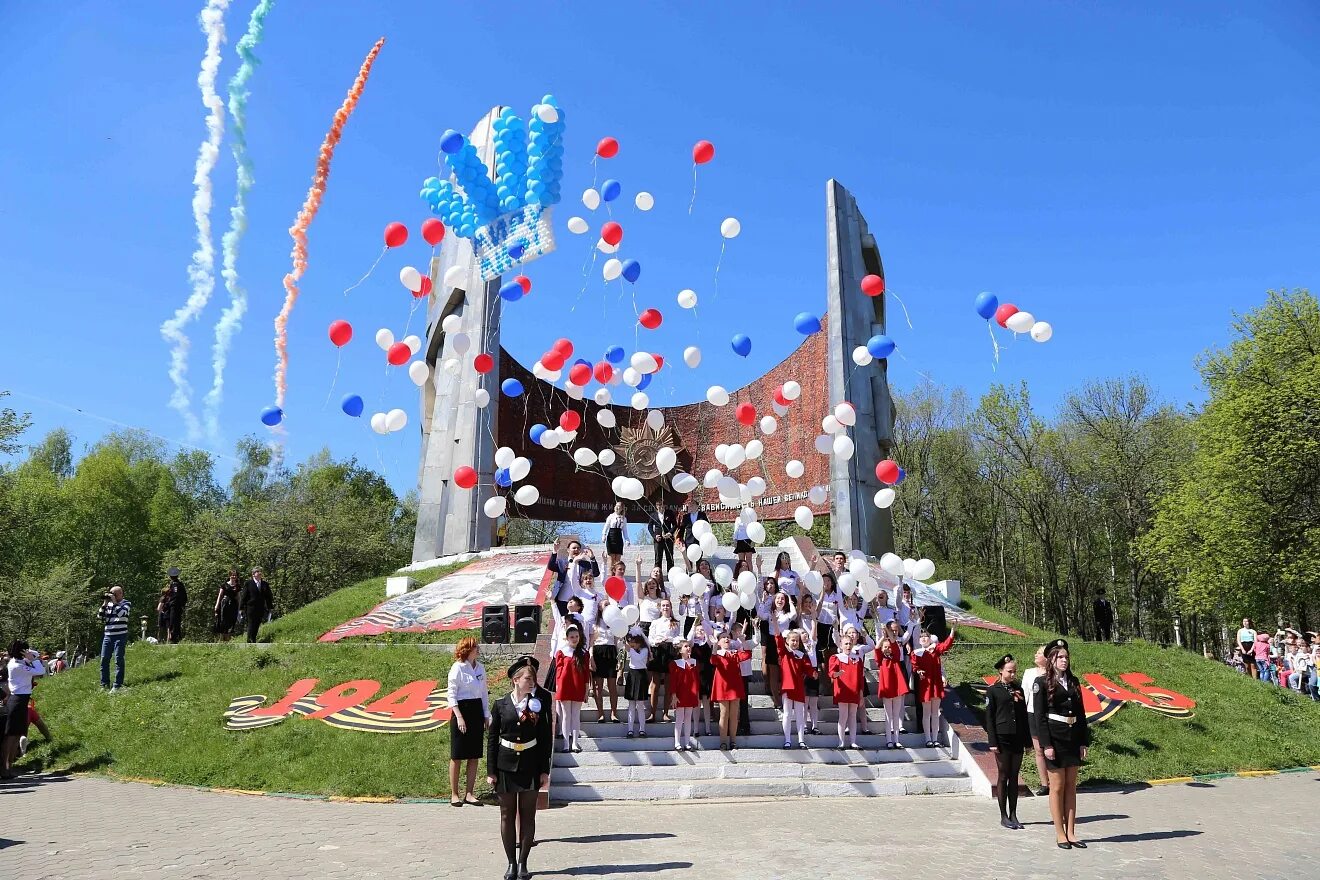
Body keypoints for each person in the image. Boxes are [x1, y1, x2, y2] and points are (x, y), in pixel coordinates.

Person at [486, 655, 552, 880]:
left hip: (531, 765)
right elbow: (492, 739)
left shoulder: (537, 705)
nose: (531, 681)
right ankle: (511, 863)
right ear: (515, 680)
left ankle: (523, 863)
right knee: (507, 815)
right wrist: (491, 771)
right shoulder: (500, 704)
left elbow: (545, 739)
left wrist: (545, 770)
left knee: (528, 815)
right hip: (505, 767)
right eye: (527, 678)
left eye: (532, 678)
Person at [1032, 638, 1090, 850]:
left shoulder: (1073, 681)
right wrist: (1046, 745)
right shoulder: (1041, 683)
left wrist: (1083, 741)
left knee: (1071, 786)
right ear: (1051, 659)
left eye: (1066, 657)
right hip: (1054, 740)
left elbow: (1082, 713)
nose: (1064, 660)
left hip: (1072, 737)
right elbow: (1039, 717)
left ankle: (1072, 832)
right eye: (1060, 657)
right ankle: (1060, 834)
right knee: (1057, 786)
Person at [985, 654, 1030, 830]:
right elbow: (989, 718)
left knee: (1014, 775)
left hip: (1017, 737)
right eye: (1010, 671)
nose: (1013, 674)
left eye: (1014, 671)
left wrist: (1027, 741)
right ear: (1001, 671)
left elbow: (1023, 716)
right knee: (1003, 774)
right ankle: (1003, 815)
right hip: (1002, 738)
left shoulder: (1018, 689)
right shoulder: (993, 690)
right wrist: (992, 741)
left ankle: (1013, 814)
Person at [446, 636, 490, 807]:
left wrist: (486, 714)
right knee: (457, 755)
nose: (478, 649)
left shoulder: (480, 668)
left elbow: (484, 693)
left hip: (476, 710)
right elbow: (451, 694)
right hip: (461, 710)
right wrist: (459, 716)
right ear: (467, 649)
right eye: (475, 647)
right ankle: (454, 794)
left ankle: (469, 793)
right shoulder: (458, 668)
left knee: (474, 754)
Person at [769, 607, 814, 749]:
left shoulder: (802, 655)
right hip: (787, 687)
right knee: (787, 714)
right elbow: (777, 638)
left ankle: (801, 740)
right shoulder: (784, 654)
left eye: (796, 640)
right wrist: (775, 622)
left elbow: (809, 669)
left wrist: (813, 673)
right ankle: (787, 740)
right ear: (787, 641)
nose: (794, 642)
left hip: (799, 688)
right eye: (792, 640)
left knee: (800, 715)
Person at [3, 642, 44, 778]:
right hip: (16, 701)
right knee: (11, 736)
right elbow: (40, 671)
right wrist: (33, 659)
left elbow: (36, 654)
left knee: (17, 735)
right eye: (25, 650)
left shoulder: (20, 661)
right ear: (20, 652)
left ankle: (10, 766)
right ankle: (5, 767)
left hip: (22, 700)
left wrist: (30, 655)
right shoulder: (16, 665)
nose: (28, 651)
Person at [912, 624, 956, 748]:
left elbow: (946, 645)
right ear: (919, 640)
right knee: (926, 713)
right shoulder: (916, 653)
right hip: (925, 685)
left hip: (936, 684)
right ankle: (928, 739)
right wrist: (918, 671)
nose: (923, 638)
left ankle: (935, 739)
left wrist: (952, 632)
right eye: (921, 637)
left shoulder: (935, 649)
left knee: (935, 713)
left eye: (926, 636)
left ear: (930, 638)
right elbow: (915, 666)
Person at [710, 629, 752, 750]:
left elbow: (747, 654)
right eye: (723, 637)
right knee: (724, 713)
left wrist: (743, 641)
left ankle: (733, 741)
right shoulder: (717, 654)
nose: (726, 639)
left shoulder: (735, 653)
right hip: (723, 686)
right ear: (719, 642)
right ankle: (723, 741)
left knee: (734, 714)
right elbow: (713, 660)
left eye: (728, 637)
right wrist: (713, 646)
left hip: (735, 685)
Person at [1020, 645, 1051, 796]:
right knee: (1039, 750)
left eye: (1039, 653)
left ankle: (1056, 779)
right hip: (1032, 714)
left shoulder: (1054, 673)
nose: (1035, 655)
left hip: (1050, 715)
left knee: (1051, 748)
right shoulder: (1029, 673)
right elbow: (1024, 695)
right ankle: (1045, 783)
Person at [553, 625, 591, 753]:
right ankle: (565, 744)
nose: (574, 639)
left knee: (575, 715)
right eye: (572, 637)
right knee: (565, 715)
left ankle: (575, 743)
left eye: (576, 636)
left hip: (578, 686)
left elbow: (586, 674)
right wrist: (558, 687)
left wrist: (586, 690)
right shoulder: (562, 652)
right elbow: (558, 671)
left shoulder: (584, 653)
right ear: (567, 638)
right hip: (564, 686)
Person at [829, 626, 867, 749]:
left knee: (852, 716)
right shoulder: (836, 658)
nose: (848, 646)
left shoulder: (857, 658)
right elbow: (831, 673)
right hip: (842, 690)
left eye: (850, 643)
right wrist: (836, 674)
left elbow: (861, 677)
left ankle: (853, 742)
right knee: (843, 716)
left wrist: (861, 693)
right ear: (841, 645)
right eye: (846, 644)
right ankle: (841, 742)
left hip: (854, 690)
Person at [874, 626, 910, 749]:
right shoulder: (880, 659)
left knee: (896, 714)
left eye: (889, 647)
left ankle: (897, 740)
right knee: (888, 715)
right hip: (887, 688)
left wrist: (889, 634)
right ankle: (889, 740)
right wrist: (883, 638)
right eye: (886, 647)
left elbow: (894, 644)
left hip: (897, 687)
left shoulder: (895, 656)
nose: (888, 649)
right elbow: (877, 648)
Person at [647, 599, 681, 723]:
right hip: (658, 650)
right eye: (663, 605)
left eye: (667, 605)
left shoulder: (676, 622)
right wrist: (657, 641)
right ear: (660, 608)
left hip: (670, 651)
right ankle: (652, 713)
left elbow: (677, 637)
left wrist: (672, 640)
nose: (665, 607)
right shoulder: (655, 622)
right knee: (655, 684)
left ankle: (666, 713)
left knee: (668, 684)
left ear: (671, 607)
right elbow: (650, 638)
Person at [546, 539, 599, 616]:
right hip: (563, 599)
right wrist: (555, 551)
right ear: (568, 550)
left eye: (578, 548)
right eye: (574, 548)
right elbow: (551, 566)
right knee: (563, 623)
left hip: (579, 600)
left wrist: (592, 558)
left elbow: (596, 573)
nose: (576, 550)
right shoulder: (562, 562)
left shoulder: (585, 564)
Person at [590, 602, 620, 723]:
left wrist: (619, 659)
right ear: (599, 607)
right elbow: (591, 642)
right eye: (604, 604)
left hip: (611, 651)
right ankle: (600, 713)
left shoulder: (614, 622)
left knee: (612, 685)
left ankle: (614, 713)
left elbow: (618, 641)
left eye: (608, 604)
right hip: (598, 652)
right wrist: (591, 657)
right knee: (598, 686)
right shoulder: (594, 623)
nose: (607, 606)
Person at [669, 638, 700, 751]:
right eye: (685, 646)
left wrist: (696, 693)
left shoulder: (694, 662)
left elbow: (696, 680)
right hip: (680, 694)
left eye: (689, 646)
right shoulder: (675, 664)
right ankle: (677, 742)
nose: (688, 648)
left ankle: (687, 742)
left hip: (690, 693)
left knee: (688, 718)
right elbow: (673, 681)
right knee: (679, 718)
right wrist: (673, 695)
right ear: (680, 650)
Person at [98, 585, 131, 691]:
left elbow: (122, 614)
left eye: (114, 594)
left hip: (120, 635)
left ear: (120, 594)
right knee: (104, 659)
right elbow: (100, 617)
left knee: (118, 659)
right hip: (108, 635)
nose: (112, 596)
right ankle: (104, 684)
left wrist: (115, 603)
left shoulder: (126, 603)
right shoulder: (108, 605)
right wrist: (104, 604)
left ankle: (117, 685)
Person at [619, 631, 650, 738]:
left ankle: (642, 729)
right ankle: (630, 729)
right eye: (631, 642)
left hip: (641, 675)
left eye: (634, 642)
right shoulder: (631, 650)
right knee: (631, 704)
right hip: (632, 674)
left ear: (639, 642)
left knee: (640, 704)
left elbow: (639, 658)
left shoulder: (645, 650)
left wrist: (630, 649)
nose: (632, 644)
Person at [240, 568, 274, 644]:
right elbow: (244, 596)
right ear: (253, 574)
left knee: (257, 624)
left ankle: (253, 639)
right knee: (251, 624)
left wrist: (270, 607)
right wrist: (241, 608)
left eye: (260, 572)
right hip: (250, 607)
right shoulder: (248, 583)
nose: (259, 573)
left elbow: (268, 597)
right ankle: (250, 641)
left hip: (260, 608)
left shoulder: (265, 584)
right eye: (257, 572)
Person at [213, 570, 241, 642]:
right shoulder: (224, 585)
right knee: (223, 621)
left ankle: (228, 640)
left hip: (233, 605)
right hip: (225, 604)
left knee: (231, 622)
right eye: (232, 575)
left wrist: (240, 608)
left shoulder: (237, 586)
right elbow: (220, 595)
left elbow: (238, 598)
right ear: (229, 576)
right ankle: (221, 640)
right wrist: (217, 605)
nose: (234, 576)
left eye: (235, 575)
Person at [601, 502, 630, 571]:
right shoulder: (611, 516)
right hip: (611, 536)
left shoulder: (624, 518)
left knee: (617, 559)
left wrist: (627, 539)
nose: (617, 508)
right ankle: (611, 575)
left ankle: (617, 574)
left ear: (622, 508)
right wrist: (604, 535)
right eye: (616, 506)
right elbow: (606, 526)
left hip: (619, 537)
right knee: (611, 558)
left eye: (619, 506)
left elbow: (624, 530)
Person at [647, 507, 675, 572]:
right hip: (658, 539)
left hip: (668, 539)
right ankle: (657, 575)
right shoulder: (653, 515)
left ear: (664, 505)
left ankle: (670, 575)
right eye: (658, 505)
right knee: (658, 558)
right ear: (656, 506)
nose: (660, 506)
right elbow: (649, 527)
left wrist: (670, 533)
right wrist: (654, 536)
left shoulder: (669, 513)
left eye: (661, 504)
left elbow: (675, 525)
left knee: (670, 558)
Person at [164, 568, 188, 643]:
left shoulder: (175, 585)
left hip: (174, 606)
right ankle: (176, 636)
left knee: (173, 621)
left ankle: (174, 637)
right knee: (175, 621)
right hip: (177, 606)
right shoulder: (179, 584)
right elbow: (185, 596)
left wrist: (168, 604)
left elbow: (175, 596)